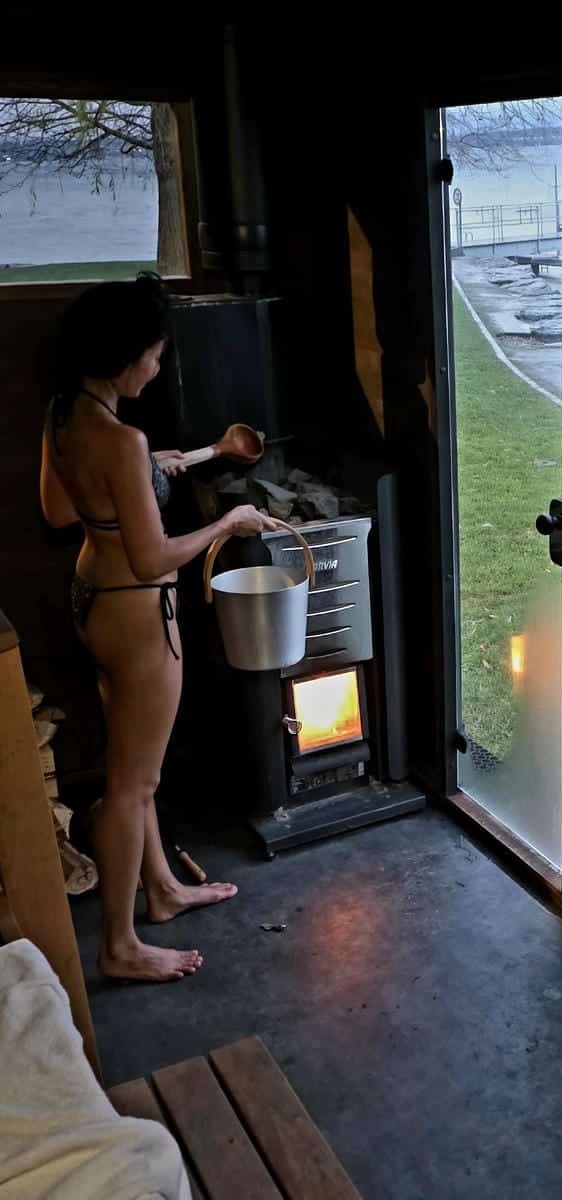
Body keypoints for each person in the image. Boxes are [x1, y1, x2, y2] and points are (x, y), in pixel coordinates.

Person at [38, 273, 278, 983]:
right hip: (138, 610)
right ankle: (119, 946)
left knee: (128, 771)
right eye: (156, 354)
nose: (159, 366)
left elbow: (59, 510)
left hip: (93, 600)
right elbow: (152, 554)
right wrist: (229, 523)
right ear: (126, 355)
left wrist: (142, 474)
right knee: (131, 787)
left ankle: (163, 891)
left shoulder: (64, 413)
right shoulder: (120, 437)